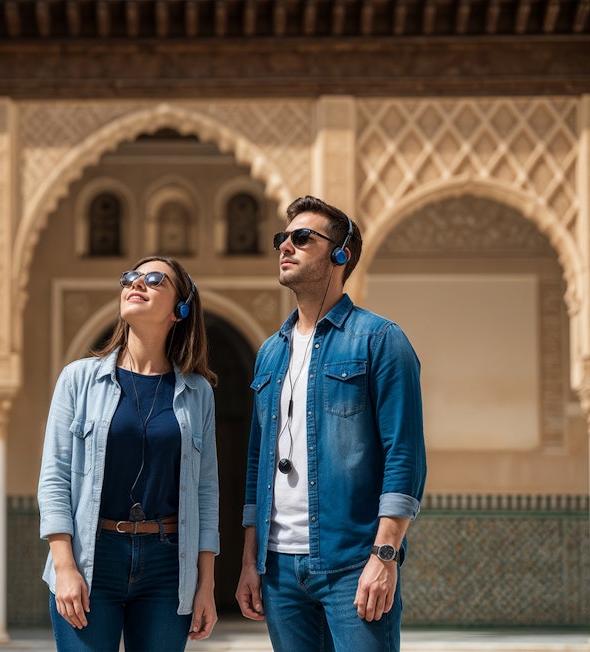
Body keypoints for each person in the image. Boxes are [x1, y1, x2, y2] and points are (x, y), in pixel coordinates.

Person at [235, 195, 427, 651]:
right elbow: (256, 466)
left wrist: (385, 556)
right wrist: (250, 561)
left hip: (352, 564)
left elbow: (405, 455)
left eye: (302, 238)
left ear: (340, 255)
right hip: (278, 568)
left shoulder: (380, 340)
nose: (285, 246)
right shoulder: (270, 352)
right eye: (283, 238)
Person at [38, 256, 220, 652]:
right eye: (130, 278)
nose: (136, 284)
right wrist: (65, 566)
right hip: (92, 557)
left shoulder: (197, 392)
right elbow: (55, 476)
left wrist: (205, 584)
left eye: (154, 279)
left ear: (180, 310)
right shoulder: (78, 380)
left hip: (166, 565)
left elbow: (206, 491)